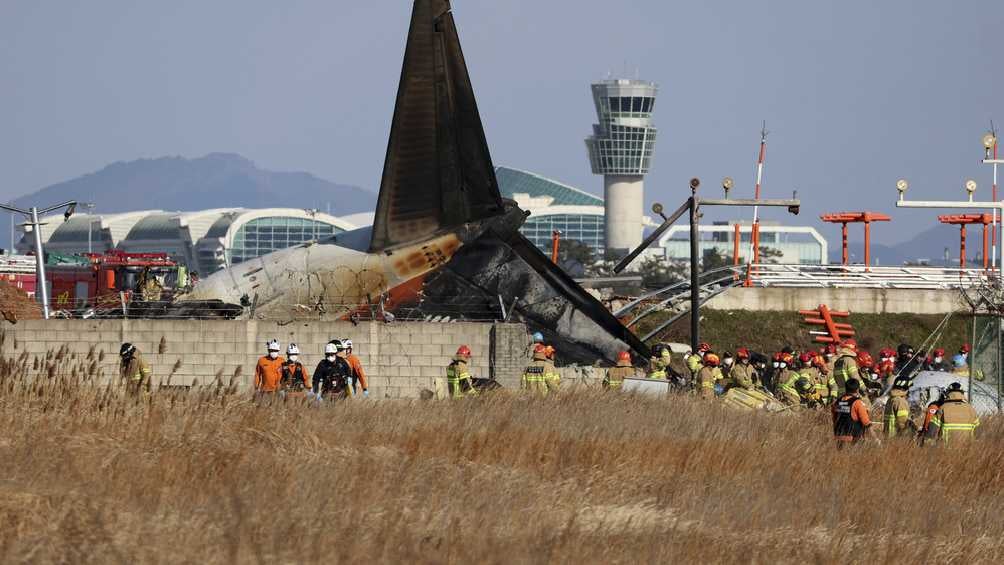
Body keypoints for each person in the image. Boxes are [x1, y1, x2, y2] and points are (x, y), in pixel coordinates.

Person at [832, 379, 878, 448]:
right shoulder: (857, 403)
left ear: (846, 388)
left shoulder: (837, 402)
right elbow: (866, 423)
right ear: (857, 390)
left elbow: (834, 419)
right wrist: (876, 439)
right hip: (853, 440)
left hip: (839, 438)